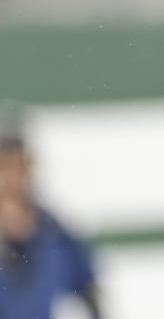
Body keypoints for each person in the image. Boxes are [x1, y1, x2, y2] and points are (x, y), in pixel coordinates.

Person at [0, 126, 101, 319]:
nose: (13, 179)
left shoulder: (52, 233)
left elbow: (87, 284)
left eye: (19, 168)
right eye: (6, 168)